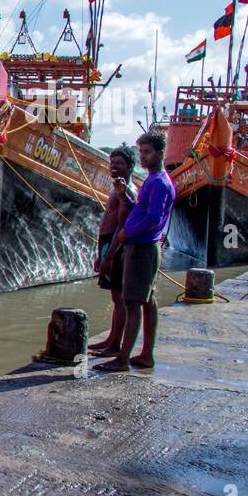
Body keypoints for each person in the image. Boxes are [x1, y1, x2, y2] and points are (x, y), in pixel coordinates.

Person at [96, 131, 175, 372]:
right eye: (140, 151)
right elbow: (142, 211)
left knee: (132, 303)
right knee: (147, 302)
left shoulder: (159, 182)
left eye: (147, 152)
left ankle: (122, 358)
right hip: (142, 245)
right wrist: (124, 198)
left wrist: (126, 234)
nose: (142, 157)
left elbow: (152, 217)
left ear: (160, 153)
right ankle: (144, 354)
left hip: (142, 247)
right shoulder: (153, 179)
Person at [88, 146, 138, 357]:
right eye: (111, 163)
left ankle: (115, 345)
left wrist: (109, 256)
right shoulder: (117, 189)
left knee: (119, 298)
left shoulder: (127, 191)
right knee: (114, 297)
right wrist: (102, 253)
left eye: (118, 163)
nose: (113, 167)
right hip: (108, 244)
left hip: (116, 246)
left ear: (129, 166)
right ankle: (111, 339)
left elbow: (121, 225)